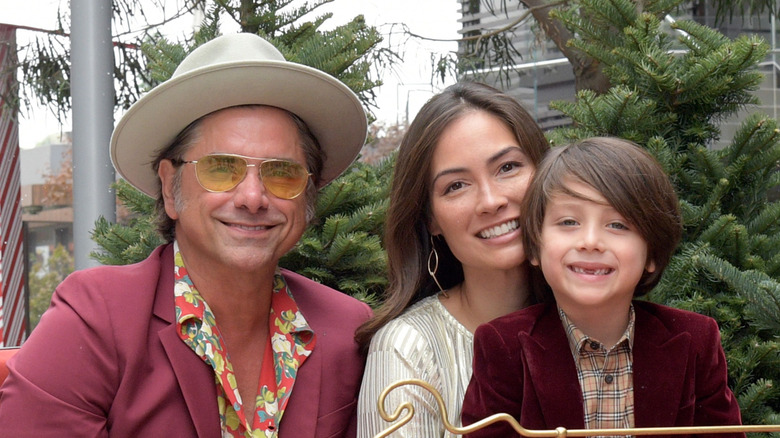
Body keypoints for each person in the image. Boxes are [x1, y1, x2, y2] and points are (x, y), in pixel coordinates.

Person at [0, 33, 373, 437]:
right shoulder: (97, 319)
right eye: (221, 168)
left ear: (307, 198)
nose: (253, 197)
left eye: (281, 173)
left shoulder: (347, 330)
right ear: (169, 187)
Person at [461, 137, 744, 437]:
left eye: (618, 225)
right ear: (535, 246)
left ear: (651, 253)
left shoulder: (695, 340)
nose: (591, 242)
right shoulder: (502, 346)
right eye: (569, 222)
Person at [355, 82, 550, 437]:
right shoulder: (407, 347)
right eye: (456, 186)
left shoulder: (595, 317)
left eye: (507, 167)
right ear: (430, 219)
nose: (490, 201)